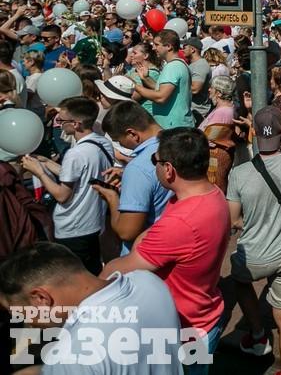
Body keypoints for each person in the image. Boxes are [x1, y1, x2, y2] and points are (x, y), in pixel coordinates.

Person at [102, 128, 230, 374]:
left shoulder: (181, 222)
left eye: (156, 161)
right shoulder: (212, 194)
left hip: (183, 331)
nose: (155, 167)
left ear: (169, 169)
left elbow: (114, 270)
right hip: (204, 318)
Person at [0, 242, 186, 374]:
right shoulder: (148, 281)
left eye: (20, 313)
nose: (29, 324)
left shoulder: (70, 356)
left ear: (41, 298)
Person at [228, 106, 281, 374]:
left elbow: (233, 220)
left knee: (240, 282)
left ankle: (256, 333)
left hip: (253, 256)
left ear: (254, 132)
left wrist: (251, 221)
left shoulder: (239, 173)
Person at [19, 97, 113, 275]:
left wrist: (38, 172)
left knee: (74, 275)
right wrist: (46, 162)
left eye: (61, 120)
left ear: (76, 124)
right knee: (92, 269)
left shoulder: (75, 153)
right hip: (94, 222)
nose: (59, 123)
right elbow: (79, 175)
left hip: (73, 227)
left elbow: (62, 195)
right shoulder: (103, 143)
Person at [94, 101, 171, 251]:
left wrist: (111, 197)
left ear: (132, 134)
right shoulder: (177, 144)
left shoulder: (138, 168)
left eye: (119, 141)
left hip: (146, 252)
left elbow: (127, 231)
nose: (121, 146)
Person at [132, 30, 194, 129]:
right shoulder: (176, 65)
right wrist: (146, 78)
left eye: (157, 44)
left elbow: (161, 97)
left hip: (173, 128)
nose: (153, 48)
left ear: (169, 46)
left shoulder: (173, 66)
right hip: (174, 126)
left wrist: (134, 86)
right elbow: (162, 89)